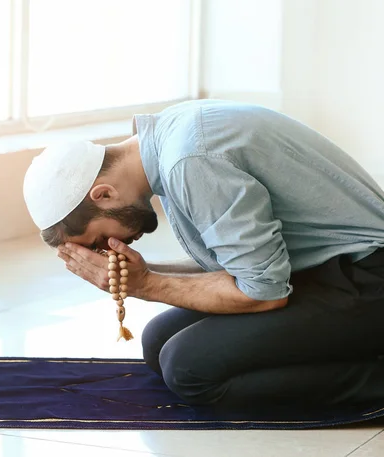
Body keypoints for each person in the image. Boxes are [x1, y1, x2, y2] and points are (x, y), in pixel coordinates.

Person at [22, 99, 384, 408]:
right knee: (157, 342)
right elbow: (238, 259)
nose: (108, 248)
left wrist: (146, 285)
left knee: (189, 368)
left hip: (369, 276)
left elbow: (264, 292)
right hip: (326, 271)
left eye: (99, 238)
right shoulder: (165, 141)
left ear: (102, 195)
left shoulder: (189, 160)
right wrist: (147, 274)